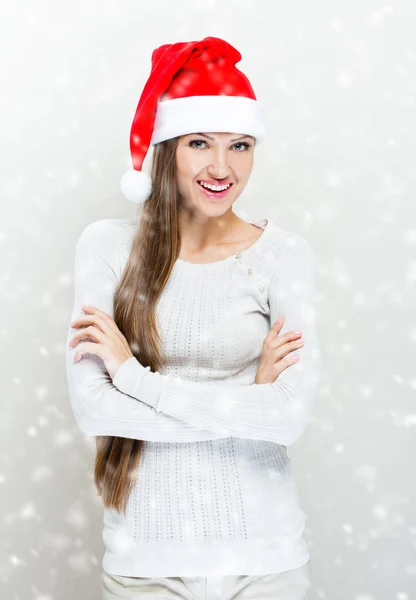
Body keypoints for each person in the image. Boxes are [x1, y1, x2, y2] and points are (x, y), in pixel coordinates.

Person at [65, 36, 320, 600]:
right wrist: (249, 401)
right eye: (200, 142)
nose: (222, 167)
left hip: (267, 560)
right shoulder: (108, 248)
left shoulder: (284, 256)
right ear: (167, 149)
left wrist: (131, 378)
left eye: (241, 145)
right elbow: (92, 410)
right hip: (146, 562)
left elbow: (289, 419)